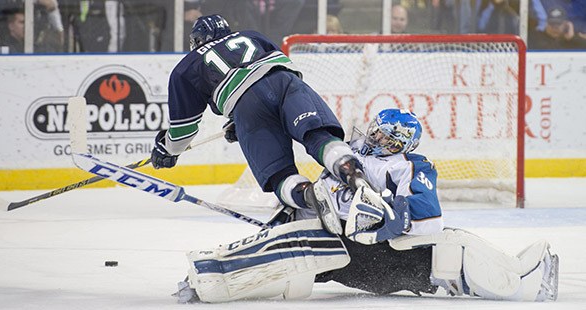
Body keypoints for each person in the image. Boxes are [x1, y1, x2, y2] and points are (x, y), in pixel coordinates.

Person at [174, 109, 559, 303]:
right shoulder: (350, 155)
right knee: (300, 249)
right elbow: (324, 199)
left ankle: (524, 279)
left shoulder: (411, 167)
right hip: (349, 252)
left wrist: (382, 220)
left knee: (454, 247)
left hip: (388, 258)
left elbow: (428, 222)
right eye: (375, 130)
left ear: (401, 145)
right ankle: (215, 277)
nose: (375, 139)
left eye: (386, 138)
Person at [151, 14, 378, 237]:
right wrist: (236, 121)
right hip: (288, 83)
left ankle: (311, 197)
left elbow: (183, 131)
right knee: (318, 136)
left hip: (247, 106)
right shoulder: (251, 35)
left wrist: (167, 150)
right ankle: (355, 174)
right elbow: (278, 70)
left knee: (279, 174)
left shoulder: (186, 66)